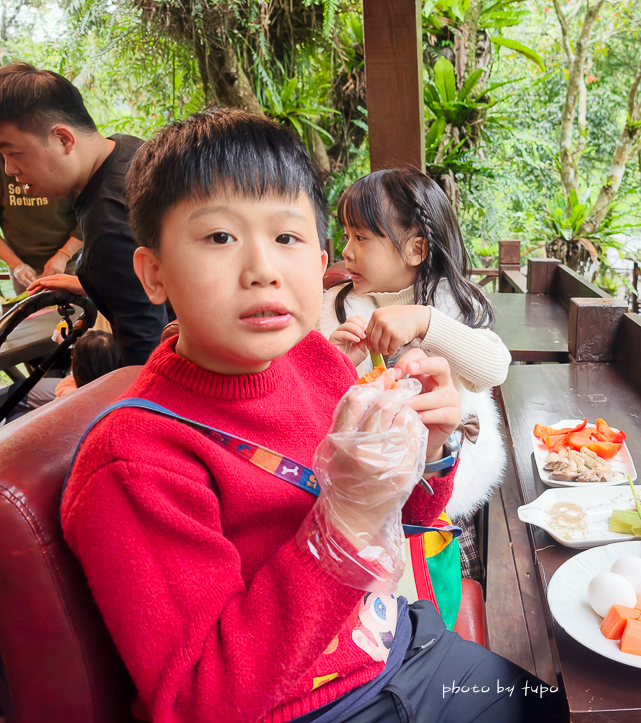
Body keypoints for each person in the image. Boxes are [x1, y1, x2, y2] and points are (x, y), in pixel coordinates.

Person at [61, 108, 564, 723]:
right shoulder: (136, 462)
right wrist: (344, 521)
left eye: (288, 237)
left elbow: (407, 519)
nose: (263, 269)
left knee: (552, 707)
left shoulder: (314, 362)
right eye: (220, 237)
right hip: (312, 707)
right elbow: (202, 700)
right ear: (153, 272)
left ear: (320, 257)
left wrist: (428, 453)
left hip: (399, 646)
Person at [318, 169, 511, 584]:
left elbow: (493, 368)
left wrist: (427, 322)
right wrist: (335, 359)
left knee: (444, 587)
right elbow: (313, 391)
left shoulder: (452, 301)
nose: (346, 252)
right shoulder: (335, 305)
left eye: (362, 238)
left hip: (441, 490)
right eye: (346, 236)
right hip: (364, 498)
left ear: (416, 249)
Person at [0, 62, 168, 365]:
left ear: (64, 139)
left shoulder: (108, 225)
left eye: (14, 153)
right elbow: (153, 279)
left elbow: (144, 356)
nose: (10, 170)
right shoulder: (126, 148)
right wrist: (87, 282)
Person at [0, 329, 119, 423]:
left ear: (76, 368)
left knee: (16, 414)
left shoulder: (67, 396)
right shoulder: (117, 385)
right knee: (18, 389)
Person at [0, 168, 82, 294]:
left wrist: (63, 255)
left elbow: (90, 219)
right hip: (21, 263)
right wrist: (16, 265)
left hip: (71, 260)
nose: (9, 168)